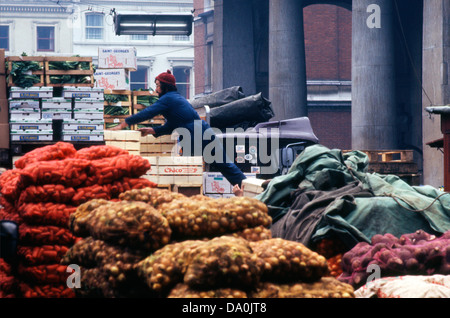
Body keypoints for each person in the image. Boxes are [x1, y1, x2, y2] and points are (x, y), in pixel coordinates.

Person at [110, 69, 247, 189]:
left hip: (192, 134)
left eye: (158, 86)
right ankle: (247, 188)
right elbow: (173, 125)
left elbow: (148, 112)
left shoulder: (168, 99)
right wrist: (153, 131)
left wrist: (125, 123)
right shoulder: (175, 98)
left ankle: (189, 195)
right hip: (203, 130)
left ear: (165, 86)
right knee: (225, 164)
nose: (156, 89)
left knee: (188, 170)